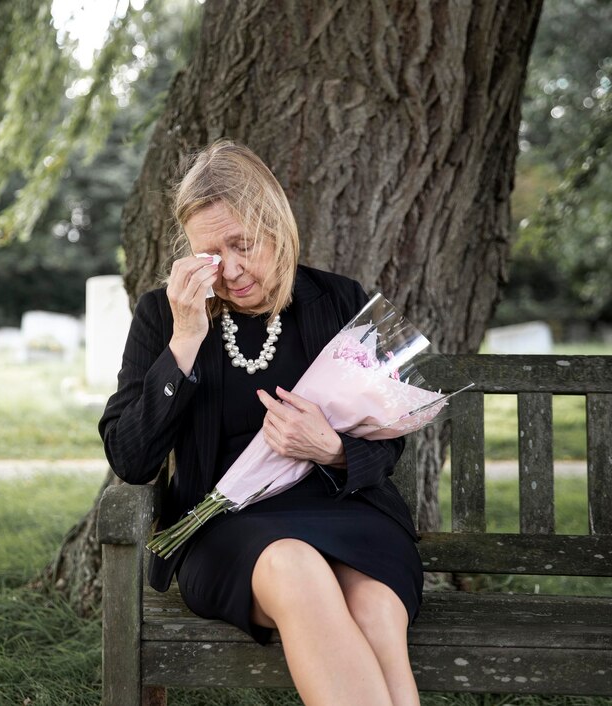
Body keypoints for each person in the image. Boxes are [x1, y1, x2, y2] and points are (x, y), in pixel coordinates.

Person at [99, 139, 423, 706]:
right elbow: (131, 459)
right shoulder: (165, 316)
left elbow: (387, 445)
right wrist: (184, 342)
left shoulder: (337, 300)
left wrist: (334, 450)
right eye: (211, 255)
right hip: (228, 529)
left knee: (374, 607)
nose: (231, 269)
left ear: (275, 224)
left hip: (349, 515)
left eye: (241, 244)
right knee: (296, 568)